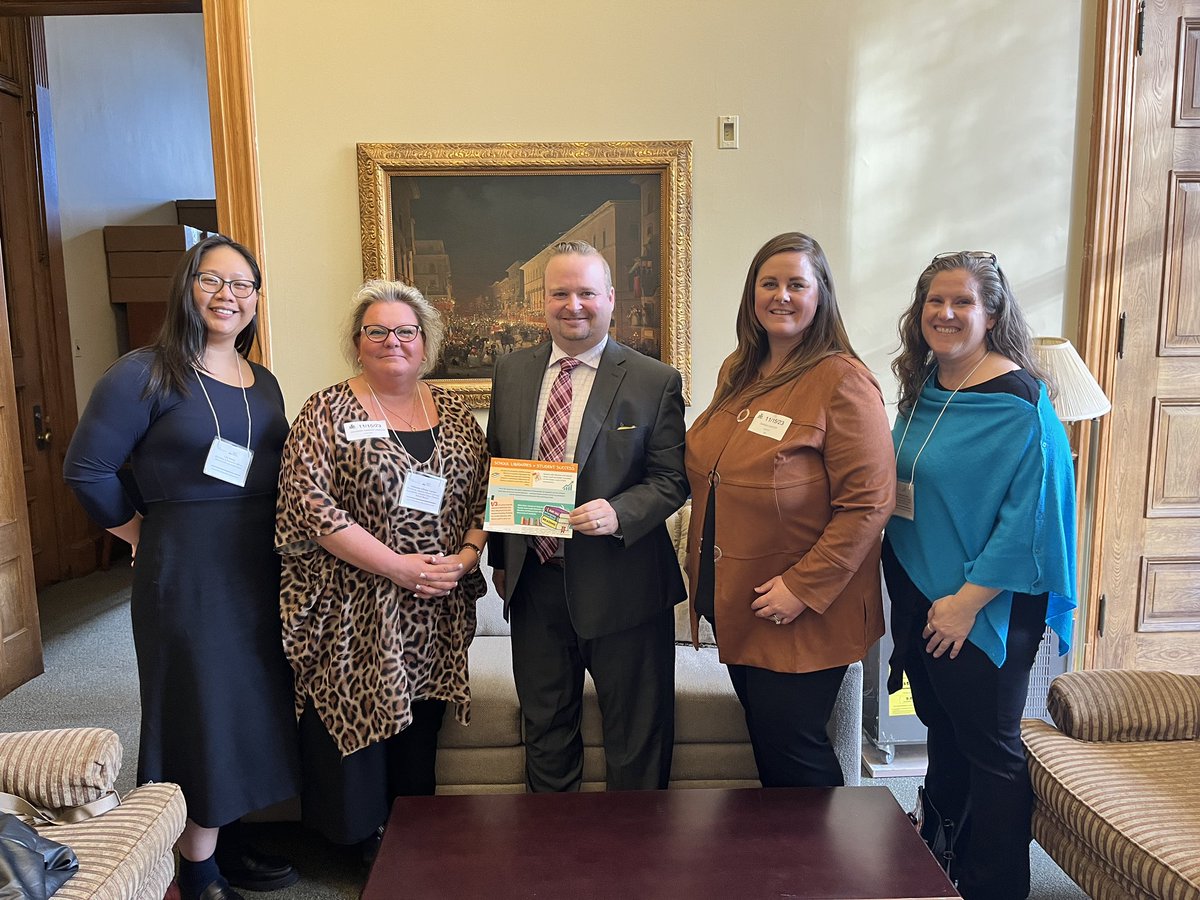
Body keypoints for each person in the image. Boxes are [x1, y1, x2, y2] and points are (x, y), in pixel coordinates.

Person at [64, 235, 300, 900]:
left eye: (244, 285)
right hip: (187, 569)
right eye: (213, 280)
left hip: (260, 564)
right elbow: (86, 469)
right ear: (186, 288)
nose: (230, 295)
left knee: (250, 705)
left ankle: (232, 839)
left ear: (256, 300)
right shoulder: (144, 373)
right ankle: (195, 871)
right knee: (199, 708)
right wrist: (140, 531)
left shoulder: (264, 379)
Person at [884, 250, 1076, 900]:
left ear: (991, 313)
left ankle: (996, 886)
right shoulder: (926, 384)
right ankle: (941, 862)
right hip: (920, 593)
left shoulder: (1021, 401)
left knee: (991, 751)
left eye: (962, 302)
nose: (945, 313)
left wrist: (966, 601)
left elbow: (1033, 519)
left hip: (984, 604)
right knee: (944, 729)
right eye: (935, 301)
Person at [274, 281, 489, 858]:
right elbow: (309, 506)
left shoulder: (458, 414)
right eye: (378, 331)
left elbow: (483, 500)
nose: (392, 341)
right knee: (356, 716)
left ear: (425, 343)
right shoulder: (326, 410)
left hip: (434, 605)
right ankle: (356, 840)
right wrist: (397, 567)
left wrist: (464, 559)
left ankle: (411, 837)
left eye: (406, 331)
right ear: (358, 342)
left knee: (421, 723)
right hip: (350, 604)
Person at [683, 232, 894, 788]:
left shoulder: (842, 380)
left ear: (820, 294)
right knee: (770, 745)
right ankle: (784, 864)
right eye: (768, 283)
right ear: (752, 294)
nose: (781, 296)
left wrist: (802, 586)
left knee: (795, 751)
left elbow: (869, 502)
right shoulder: (740, 370)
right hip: (738, 597)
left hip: (800, 604)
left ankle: (821, 872)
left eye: (797, 284)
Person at [487, 240, 688, 792]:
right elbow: (498, 464)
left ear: (611, 299)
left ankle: (636, 861)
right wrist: (501, 563)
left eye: (586, 293)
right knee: (546, 731)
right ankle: (556, 861)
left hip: (624, 584)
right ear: (543, 302)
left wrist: (619, 512)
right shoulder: (513, 371)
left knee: (637, 737)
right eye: (560, 293)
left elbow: (672, 479)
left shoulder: (655, 379)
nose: (573, 304)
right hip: (535, 587)